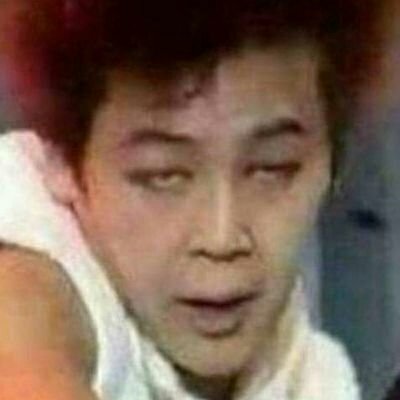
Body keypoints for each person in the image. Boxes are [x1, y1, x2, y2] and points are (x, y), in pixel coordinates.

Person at [0, 0, 384, 399]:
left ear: (333, 166)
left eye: (273, 168)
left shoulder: (314, 373)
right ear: (62, 162)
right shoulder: (29, 236)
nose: (221, 238)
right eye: (162, 174)